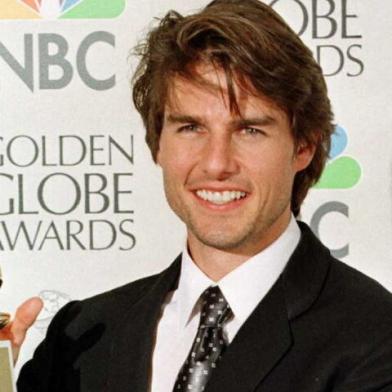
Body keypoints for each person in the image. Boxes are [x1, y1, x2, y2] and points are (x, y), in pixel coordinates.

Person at [5, 0, 392, 391]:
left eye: (250, 130)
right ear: (158, 144)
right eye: (191, 127)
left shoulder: (376, 337)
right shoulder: (82, 338)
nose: (216, 163)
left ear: (304, 146)